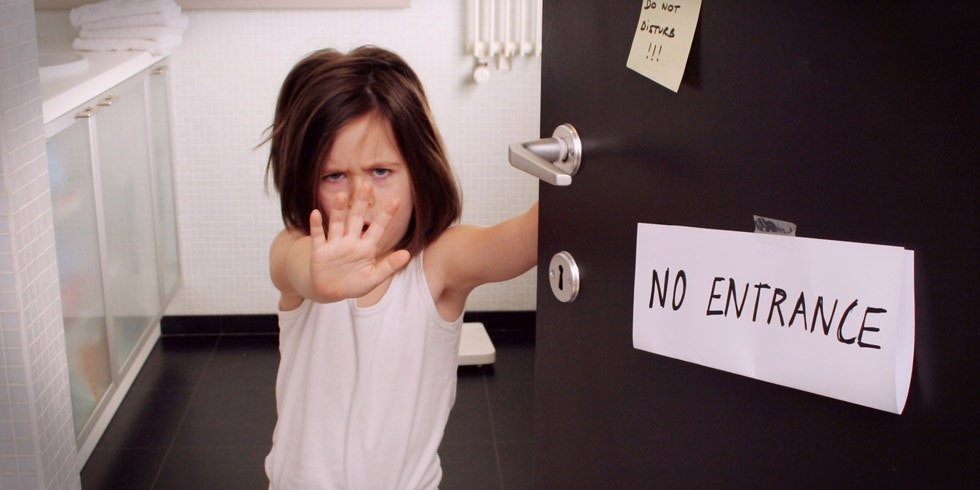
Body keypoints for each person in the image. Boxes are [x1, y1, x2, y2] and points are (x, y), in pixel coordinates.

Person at [262, 46, 538, 489]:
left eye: (380, 171)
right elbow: (290, 266)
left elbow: (524, 238)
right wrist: (316, 276)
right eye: (335, 176)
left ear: (418, 173)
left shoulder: (439, 263)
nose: (360, 196)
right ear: (307, 183)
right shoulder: (299, 247)